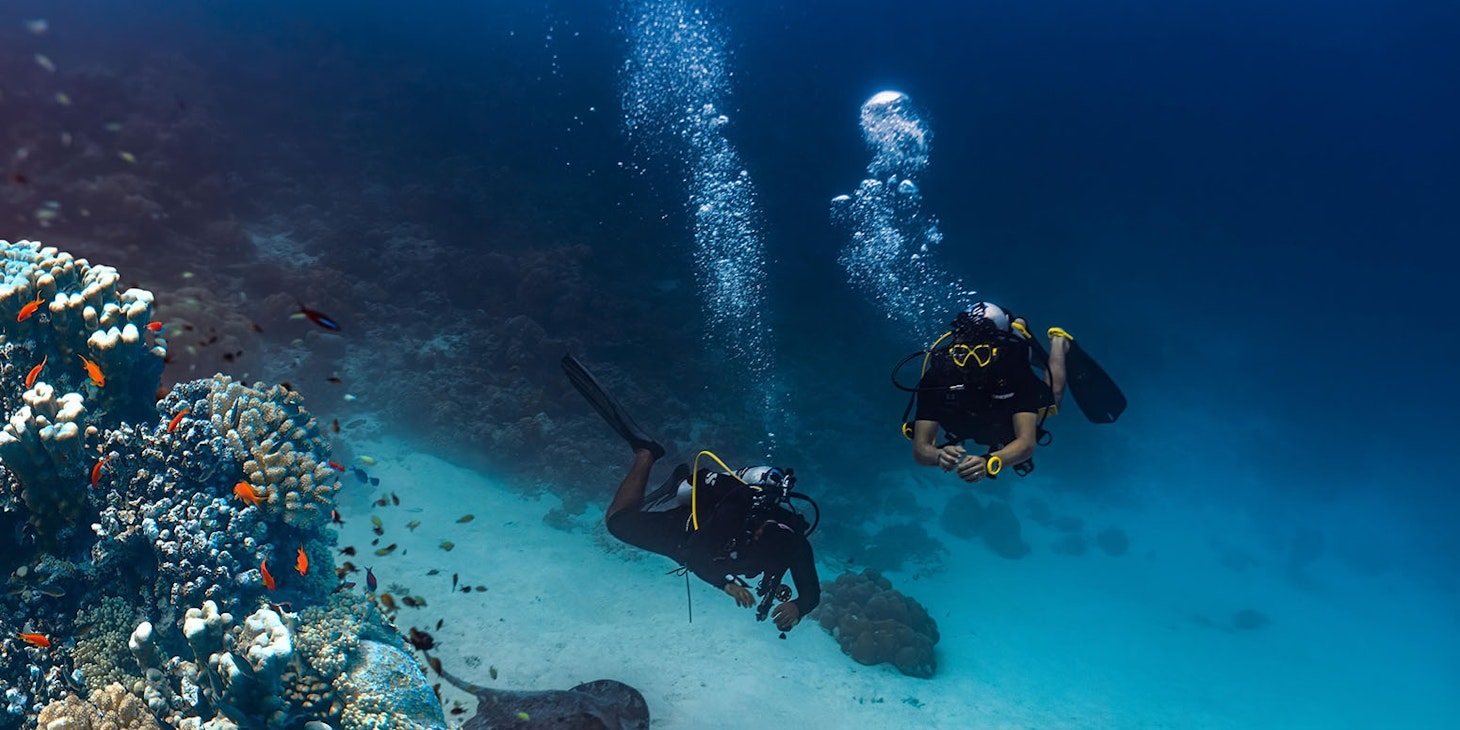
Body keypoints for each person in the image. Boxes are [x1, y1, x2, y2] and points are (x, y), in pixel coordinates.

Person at [561, 354, 819, 633]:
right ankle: (646, 453)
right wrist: (727, 585)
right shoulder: (738, 509)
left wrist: (798, 607)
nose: (758, 535)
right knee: (616, 522)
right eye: (760, 533)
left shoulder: (796, 543)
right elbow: (696, 556)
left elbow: (811, 592)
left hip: (713, 550)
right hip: (682, 534)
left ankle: (675, 480)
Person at [908, 301, 1071, 483]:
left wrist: (989, 462)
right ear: (953, 351)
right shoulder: (938, 376)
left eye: (981, 355)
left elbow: (1026, 443)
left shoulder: (1012, 369)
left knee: (1053, 398)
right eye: (962, 354)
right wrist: (938, 455)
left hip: (1002, 414)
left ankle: (1058, 343)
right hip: (975, 421)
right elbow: (920, 449)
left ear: (995, 353)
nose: (970, 364)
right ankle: (1017, 328)